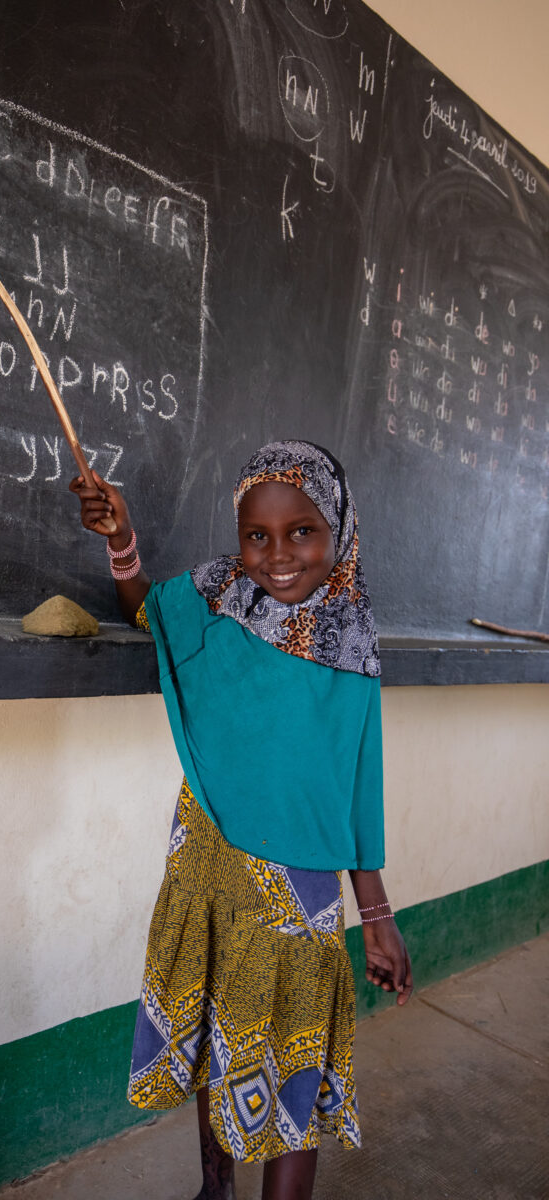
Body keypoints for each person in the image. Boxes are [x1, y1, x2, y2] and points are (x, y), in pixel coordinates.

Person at [70, 440, 413, 1200]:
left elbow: (356, 782)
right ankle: (213, 1186)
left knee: (293, 1059)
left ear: (340, 532)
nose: (278, 556)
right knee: (213, 1028)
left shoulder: (351, 637)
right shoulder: (215, 594)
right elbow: (144, 610)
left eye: (303, 532)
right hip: (207, 856)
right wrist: (121, 542)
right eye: (257, 535)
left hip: (298, 889)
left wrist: (377, 911)